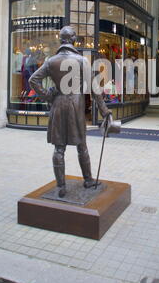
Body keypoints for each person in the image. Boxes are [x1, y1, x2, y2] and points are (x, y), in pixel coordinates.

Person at [29, 26, 111, 198]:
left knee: (59, 148)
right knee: (82, 146)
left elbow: (33, 80)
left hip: (58, 104)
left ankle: (61, 186)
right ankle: (88, 180)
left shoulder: (51, 61)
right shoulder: (82, 61)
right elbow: (95, 90)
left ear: (61, 40)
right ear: (73, 39)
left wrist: (48, 96)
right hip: (76, 105)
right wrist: (104, 111)